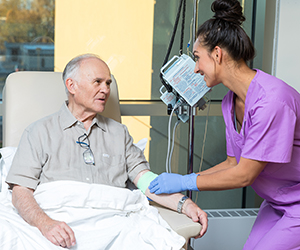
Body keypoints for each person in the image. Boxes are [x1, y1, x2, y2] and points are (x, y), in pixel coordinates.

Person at [5, 53, 207, 249]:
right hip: (58, 221)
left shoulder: (119, 134)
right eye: (98, 82)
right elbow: (20, 192)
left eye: (108, 83)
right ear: (71, 85)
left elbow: (146, 182)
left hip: (114, 224)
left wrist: (185, 204)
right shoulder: (39, 132)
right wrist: (46, 224)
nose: (105, 90)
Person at [149, 0, 300, 249]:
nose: (196, 69)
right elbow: (233, 163)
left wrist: (185, 182)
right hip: (277, 200)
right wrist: (183, 178)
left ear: (217, 54)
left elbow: (244, 175)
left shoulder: (272, 101)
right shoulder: (230, 102)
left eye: (198, 58)